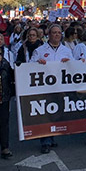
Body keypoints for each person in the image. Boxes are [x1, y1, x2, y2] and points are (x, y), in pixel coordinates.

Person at [33, 24, 73, 153]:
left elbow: (74, 67)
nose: (56, 35)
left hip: (60, 87)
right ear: (48, 35)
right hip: (45, 88)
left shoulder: (66, 51)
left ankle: (52, 137)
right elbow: (29, 67)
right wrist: (37, 64)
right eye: (54, 32)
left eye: (59, 33)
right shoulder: (39, 50)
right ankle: (45, 141)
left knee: (56, 114)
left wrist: (70, 62)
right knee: (46, 114)